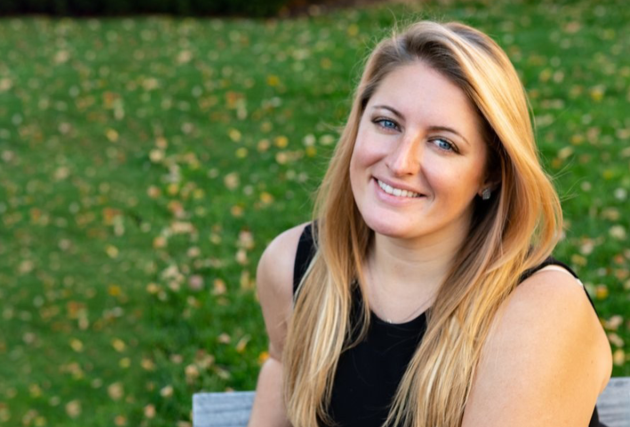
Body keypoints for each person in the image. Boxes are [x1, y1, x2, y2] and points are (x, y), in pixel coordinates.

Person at [247, 20, 612, 427]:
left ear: (490, 174)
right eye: (387, 123)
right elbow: (280, 376)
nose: (401, 162)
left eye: (443, 143)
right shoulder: (294, 268)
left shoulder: (541, 313)